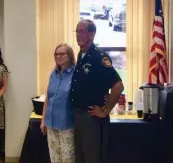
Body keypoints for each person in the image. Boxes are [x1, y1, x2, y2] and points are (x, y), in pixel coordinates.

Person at [70, 20, 124, 163]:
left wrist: (105, 111)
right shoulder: (81, 55)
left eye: (82, 31)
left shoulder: (99, 57)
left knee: (92, 157)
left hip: (92, 117)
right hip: (78, 115)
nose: (78, 35)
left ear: (92, 34)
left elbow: (118, 86)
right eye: (76, 31)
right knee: (79, 157)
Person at [41, 43, 76, 163]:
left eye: (62, 53)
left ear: (70, 55)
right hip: (51, 123)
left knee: (67, 159)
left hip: (67, 124)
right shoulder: (53, 74)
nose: (58, 56)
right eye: (56, 54)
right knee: (55, 158)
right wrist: (43, 120)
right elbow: (48, 98)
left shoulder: (75, 74)